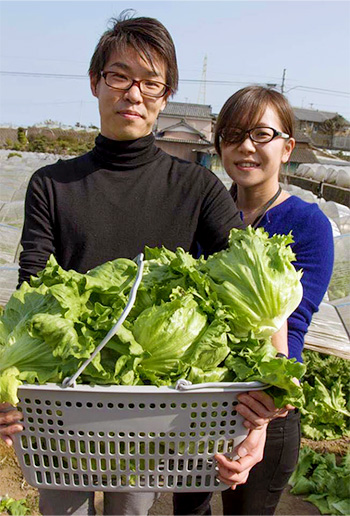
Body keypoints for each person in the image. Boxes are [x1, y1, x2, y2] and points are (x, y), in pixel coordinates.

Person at [0, 14, 269, 516]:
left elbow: (253, 291)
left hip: (152, 408)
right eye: (119, 77)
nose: (134, 93)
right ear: (95, 82)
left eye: (151, 82)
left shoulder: (197, 189)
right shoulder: (51, 185)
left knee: (132, 508)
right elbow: (31, 291)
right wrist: (8, 380)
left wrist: (261, 413)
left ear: (166, 96)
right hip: (62, 402)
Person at [173, 86, 334, 515]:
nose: (245, 146)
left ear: (288, 148)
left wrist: (270, 400)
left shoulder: (306, 223)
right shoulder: (203, 215)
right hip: (199, 406)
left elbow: (292, 323)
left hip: (267, 406)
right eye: (233, 134)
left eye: (262, 134)